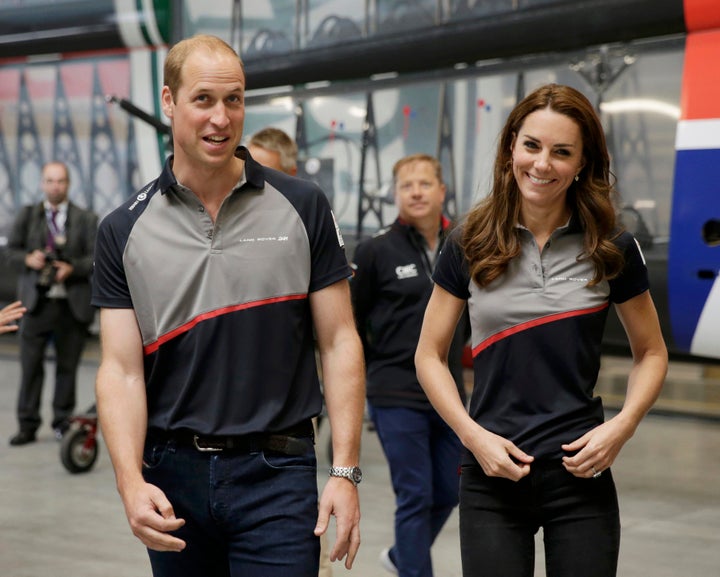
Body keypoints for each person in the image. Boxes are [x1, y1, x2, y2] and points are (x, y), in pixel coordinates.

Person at [92, 34, 365, 577]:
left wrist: (346, 470)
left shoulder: (303, 205)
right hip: (172, 476)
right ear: (169, 102)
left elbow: (339, 341)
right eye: (204, 100)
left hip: (277, 472)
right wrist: (129, 481)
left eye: (235, 99)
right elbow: (120, 371)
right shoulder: (122, 229)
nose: (221, 118)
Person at [415, 83, 668, 577]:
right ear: (512, 146)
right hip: (491, 473)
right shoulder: (470, 240)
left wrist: (622, 426)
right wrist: (472, 436)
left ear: (581, 164)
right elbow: (428, 354)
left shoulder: (611, 245)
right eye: (531, 145)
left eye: (561, 152)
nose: (542, 164)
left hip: (580, 474)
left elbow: (652, 352)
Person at [351, 153, 467, 577]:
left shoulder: (465, 245)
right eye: (406, 185)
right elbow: (351, 324)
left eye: (424, 183)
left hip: (449, 393)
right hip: (395, 392)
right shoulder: (376, 251)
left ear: (442, 190)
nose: (415, 191)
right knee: (415, 494)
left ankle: (402, 557)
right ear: (396, 194)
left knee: (451, 489)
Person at [247, 124, 334, 577]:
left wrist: (346, 470)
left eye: (265, 171)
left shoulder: (306, 217)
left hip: (283, 440)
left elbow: (338, 339)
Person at [5, 161, 98, 446]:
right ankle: (27, 424)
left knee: (67, 368)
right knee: (30, 367)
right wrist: (28, 259)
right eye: (49, 180)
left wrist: (72, 268)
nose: (55, 186)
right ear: (42, 184)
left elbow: (96, 258)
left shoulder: (86, 219)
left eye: (60, 181)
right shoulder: (28, 215)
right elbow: (9, 251)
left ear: (68, 184)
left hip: (71, 305)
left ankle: (62, 422)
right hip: (36, 304)